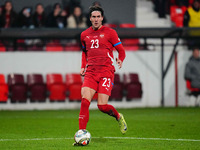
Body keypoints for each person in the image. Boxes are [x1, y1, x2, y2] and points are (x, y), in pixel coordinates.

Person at [73, 5, 127, 145]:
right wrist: (82, 66)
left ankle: (118, 116)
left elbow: (121, 50)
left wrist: (120, 59)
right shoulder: (84, 35)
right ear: (90, 18)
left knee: (102, 106)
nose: (96, 19)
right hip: (91, 72)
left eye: (98, 17)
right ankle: (81, 133)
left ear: (102, 18)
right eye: (93, 17)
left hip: (106, 72)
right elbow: (84, 53)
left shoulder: (110, 32)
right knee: (85, 101)